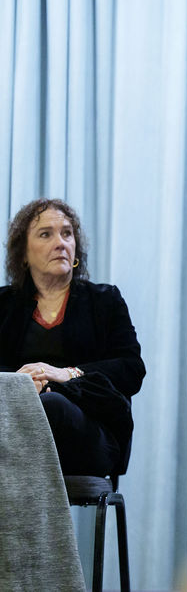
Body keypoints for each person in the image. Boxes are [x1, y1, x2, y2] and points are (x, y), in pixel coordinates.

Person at [0, 198, 144, 477]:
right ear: (24, 254)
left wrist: (66, 374)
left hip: (90, 429)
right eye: (46, 234)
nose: (60, 243)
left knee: (50, 406)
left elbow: (131, 369)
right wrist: (20, 383)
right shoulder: (4, 305)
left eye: (67, 233)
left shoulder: (105, 300)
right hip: (15, 420)